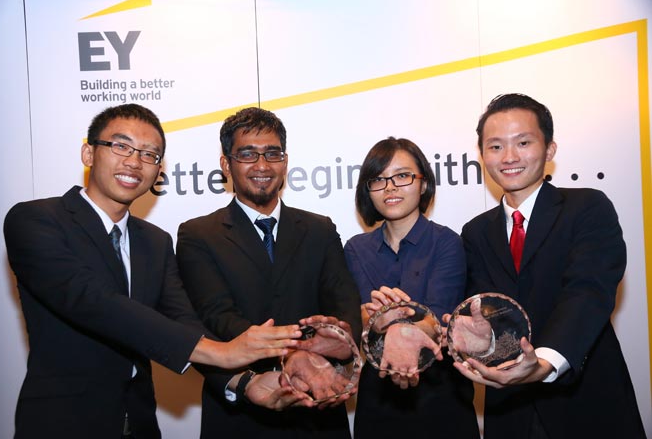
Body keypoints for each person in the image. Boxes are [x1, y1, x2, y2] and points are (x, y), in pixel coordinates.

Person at [3, 104, 301, 439]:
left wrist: (245, 382)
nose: (134, 161)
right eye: (121, 146)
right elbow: (92, 301)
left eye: (149, 154)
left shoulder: (155, 242)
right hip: (61, 423)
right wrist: (223, 351)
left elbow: (182, 320)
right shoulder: (36, 220)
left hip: (140, 423)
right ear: (89, 153)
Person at [453, 93, 646, 438]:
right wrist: (478, 339)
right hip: (509, 411)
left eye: (523, 142)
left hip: (585, 401)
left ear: (550, 149)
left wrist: (544, 362)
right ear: (482, 155)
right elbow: (486, 311)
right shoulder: (475, 232)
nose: (509, 157)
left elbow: (587, 291)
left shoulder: (586, 207)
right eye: (495, 147)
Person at [176, 107, 362, 438]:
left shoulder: (320, 229)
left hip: (318, 410)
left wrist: (339, 341)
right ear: (226, 164)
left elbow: (345, 304)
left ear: (285, 161)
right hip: (241, 415)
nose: (262, 165)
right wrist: (294, 351)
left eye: (272, 154)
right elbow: (217, 317)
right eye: (248, 154)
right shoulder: (198, 235)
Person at [344, 137, 479, 438]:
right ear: (368, 190)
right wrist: (377, 318)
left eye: (402, 176)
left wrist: (390, 318)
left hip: (441, 396)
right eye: (378, 179)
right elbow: (361, 320)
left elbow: (439, 316)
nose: (390, 187)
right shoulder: (355, 249)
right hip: (377, 398)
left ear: (423, 183)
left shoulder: (447, 242)